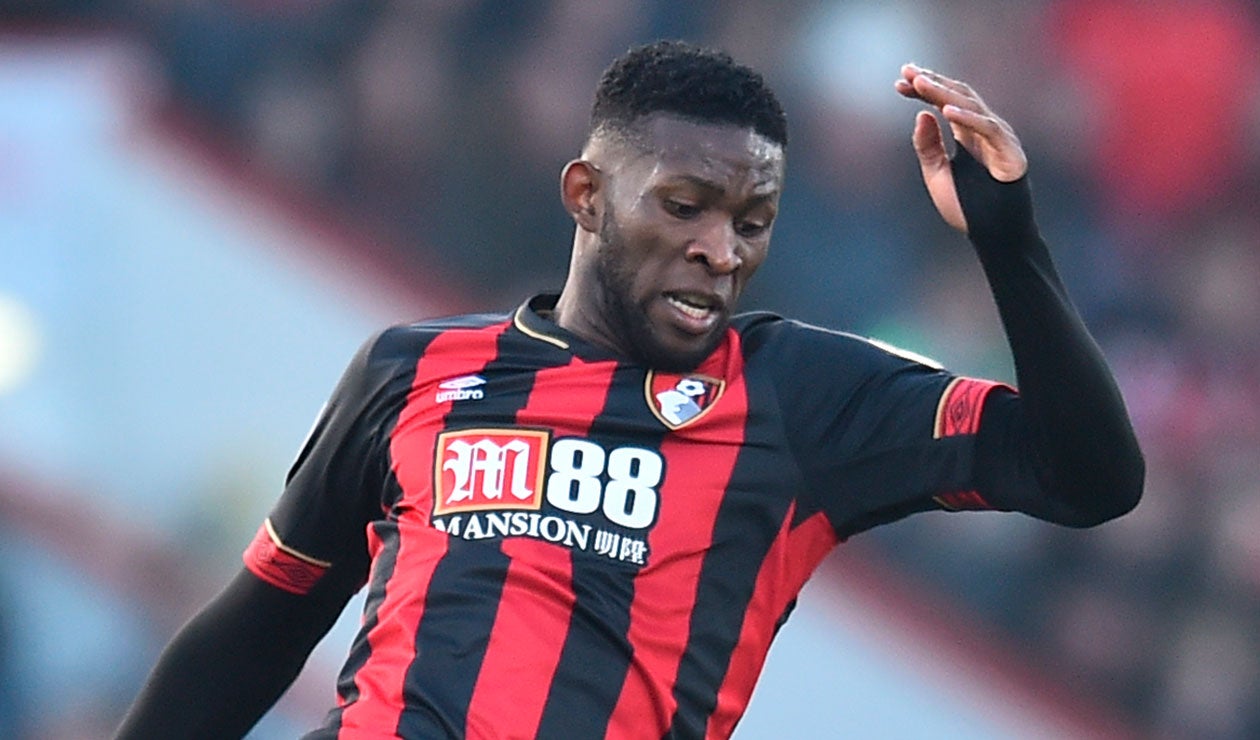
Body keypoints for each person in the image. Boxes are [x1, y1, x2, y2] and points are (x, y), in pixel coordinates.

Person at [115, 40, 1143, 739]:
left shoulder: (800, 394)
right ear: (587, 195)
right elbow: (259, 628)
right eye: (685, 206)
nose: (720, 250)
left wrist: (1010, 245)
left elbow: (1089, 474)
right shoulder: (411, 370)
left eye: (751, 222)